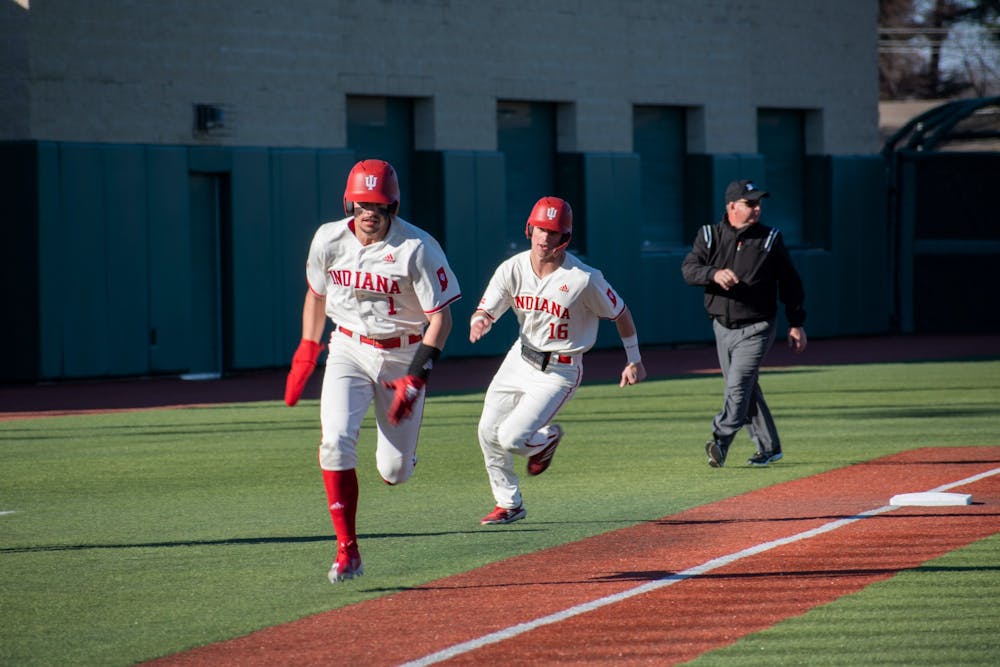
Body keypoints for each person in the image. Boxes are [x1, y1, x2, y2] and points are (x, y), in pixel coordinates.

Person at [283, 159, 461, 583]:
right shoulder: (328, 239)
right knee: (335, 443)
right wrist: (308, 349)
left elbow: (442, 320)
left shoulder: (417, 248)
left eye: (378, 205)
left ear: (393, 207)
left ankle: (405, 453)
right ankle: (348, 552)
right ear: (349, 202)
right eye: (361, 203)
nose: (369, 212)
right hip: (348, 348)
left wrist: (417, 376)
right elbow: (316, 295)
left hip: (404, 354)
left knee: (395, 472)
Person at [469, 196, 646, 525]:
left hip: (560, 369)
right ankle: (509, 503)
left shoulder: (584, 277)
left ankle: (546, 438)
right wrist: (480, 320)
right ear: (529, 229)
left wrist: (633, 358)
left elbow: (620, 313)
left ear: (565, 237)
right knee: (486, 431)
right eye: (540, 229)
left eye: (553, 232)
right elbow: (487, 307)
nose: (544, 238)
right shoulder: (513, 268)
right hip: (520, 357)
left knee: (511, 437)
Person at [681, 179, 807, 468]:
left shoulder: (770, 239)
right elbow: (689, 269)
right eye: (750, 203)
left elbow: (790, 283)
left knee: (737, 386)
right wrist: (712, 274)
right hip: (722, 326)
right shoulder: (709, 235)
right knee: (744, 387)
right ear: (731, 206)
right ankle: (769, 447)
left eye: (759, 203)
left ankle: (720, 441)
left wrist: (796, 322)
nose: (757, 208)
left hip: (758, 326)